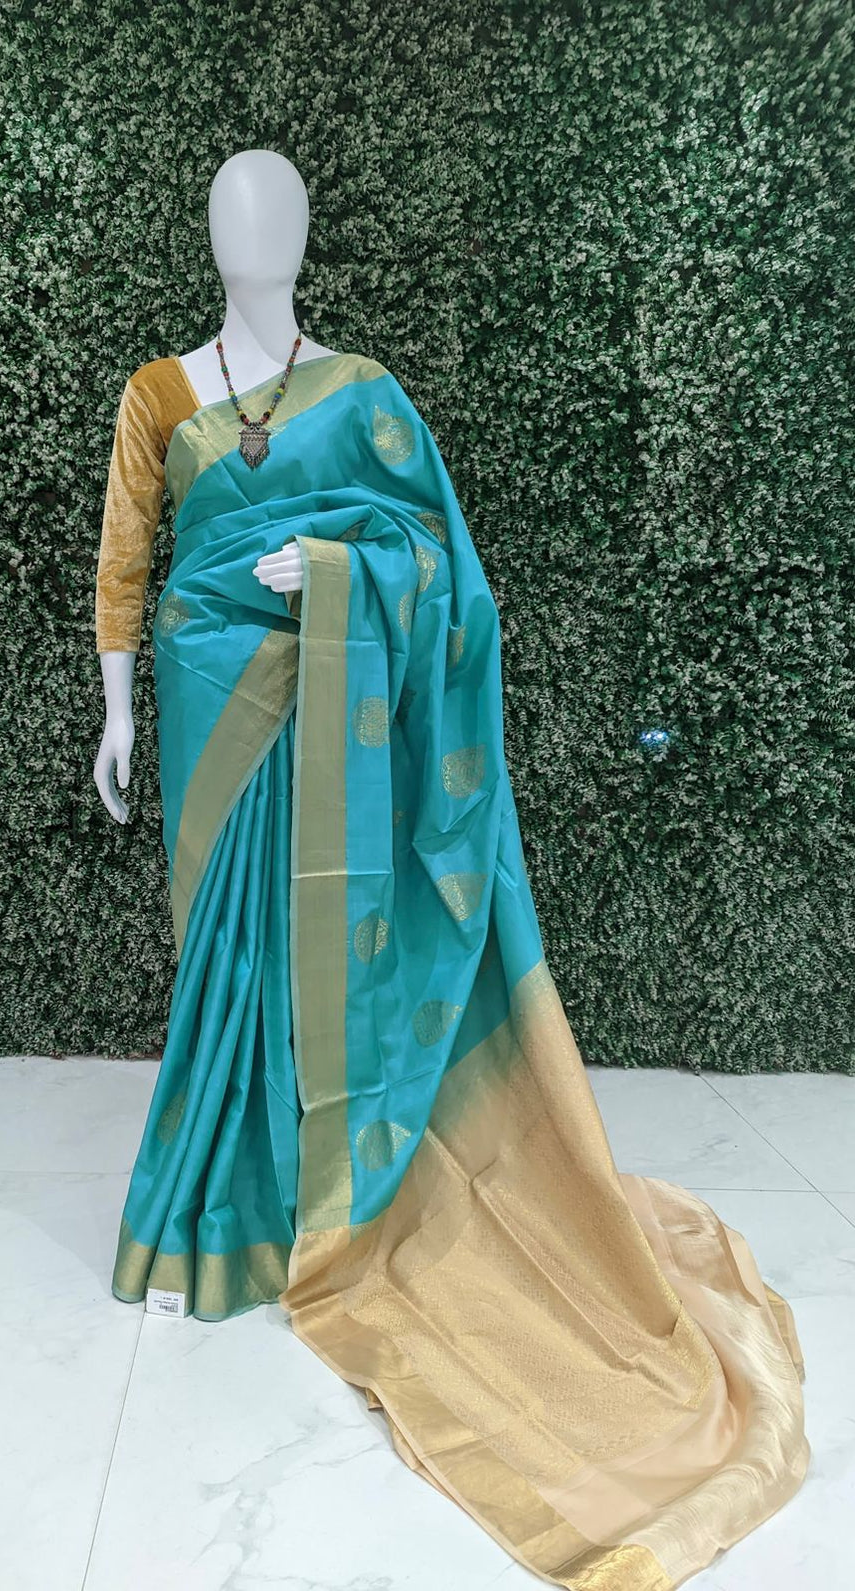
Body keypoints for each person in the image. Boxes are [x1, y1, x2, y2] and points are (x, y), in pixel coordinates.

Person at [91, 150, 809, 1591]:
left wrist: (337, 567)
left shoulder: (366, 393)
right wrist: (115, 712)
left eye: (275, 210)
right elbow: (123, 564)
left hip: (331, 702)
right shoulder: (158, 394)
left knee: (314, 958)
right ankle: (223, 1203)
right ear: (211, 234)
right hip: (208, 702)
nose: (253, 233)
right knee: (224, 962)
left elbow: (442, 567)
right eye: (233, 211)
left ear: (304, 232)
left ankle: (322, 1202)